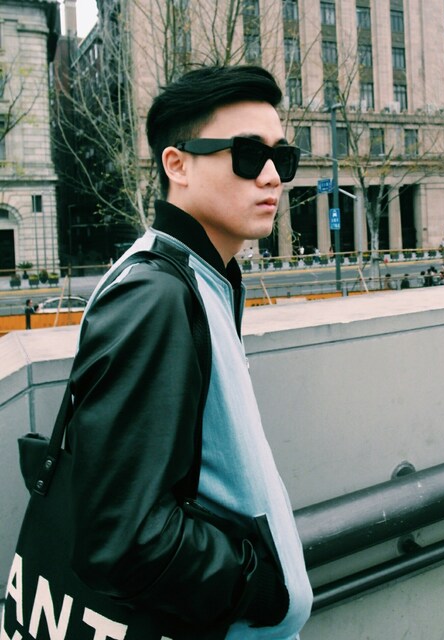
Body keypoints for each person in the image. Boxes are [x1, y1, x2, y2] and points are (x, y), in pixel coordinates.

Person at [63, 66, 312, 639]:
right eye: (248, 154)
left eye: (283, 157)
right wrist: (258, 584)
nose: (272, 176)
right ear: (177, 165)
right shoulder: (155, 296)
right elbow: (123, 537)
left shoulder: (199, 277)